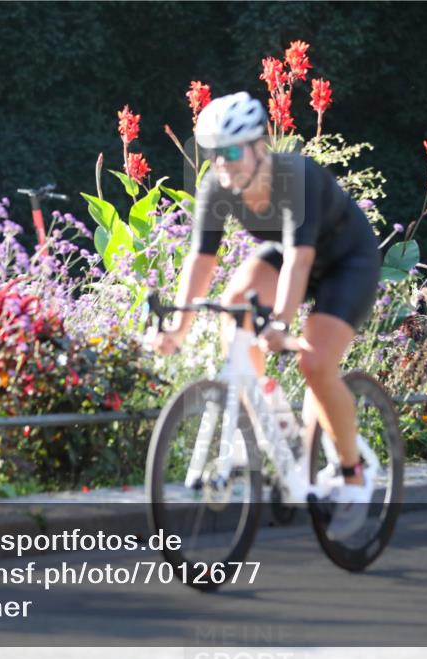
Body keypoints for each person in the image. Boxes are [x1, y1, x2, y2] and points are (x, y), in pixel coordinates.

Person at [150, 91, 383, 540]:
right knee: (234, 303)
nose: (223, 163)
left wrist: (279, 323)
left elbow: (300, 260)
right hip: (287, 254)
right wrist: (178, 326)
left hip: (345, 261)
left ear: (261, 146)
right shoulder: (218, 187)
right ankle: (265, 413)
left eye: (233, 152)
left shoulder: (297, 178)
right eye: (214, 153)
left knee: (314, 363)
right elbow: (201, 260)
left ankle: (353, 475)